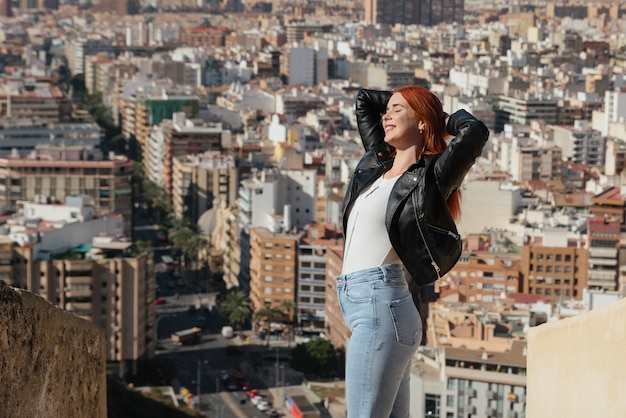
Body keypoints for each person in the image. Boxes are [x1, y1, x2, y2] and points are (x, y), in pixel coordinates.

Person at [336, 86, 489, 418]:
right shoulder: (377, 162)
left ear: (422, 123)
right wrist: (403, 106)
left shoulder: (430, 178)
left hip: (381, 306)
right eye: (387, 110)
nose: (387, 116)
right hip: (369, 307)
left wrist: (440, 118)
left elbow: (474, 132)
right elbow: (364, 99)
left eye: (397, 110)